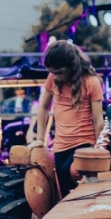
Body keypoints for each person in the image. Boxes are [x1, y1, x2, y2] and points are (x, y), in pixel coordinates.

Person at [33, 41, 104, 197]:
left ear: (71, 66)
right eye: (52, 72)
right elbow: (44, 108)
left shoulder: (91, 82)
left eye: (59, 72)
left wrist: (99, 148)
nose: (55, 76)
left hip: (84, 141)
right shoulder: (53, 78)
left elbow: (98, 119)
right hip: (61, 145)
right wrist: (40, 138)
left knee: (70, 172)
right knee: (63, 187)